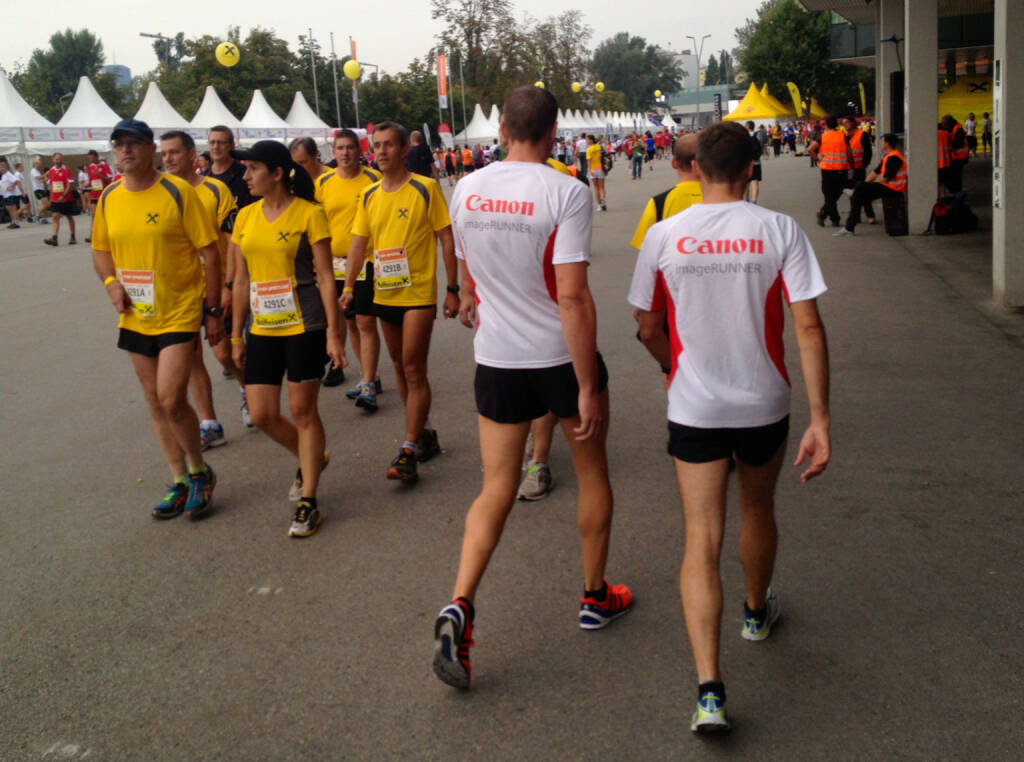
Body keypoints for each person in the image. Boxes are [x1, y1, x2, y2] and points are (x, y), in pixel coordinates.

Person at [629, 121, 830, 733]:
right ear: (750, 170)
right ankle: (753, 612)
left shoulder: (664, 235)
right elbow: (809, 327)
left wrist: (673, 367)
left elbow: (645, 323)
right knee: (758, 511)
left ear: (695, 168)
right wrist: (821, 419)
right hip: (763, 404)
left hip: (694, 407)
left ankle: (709, 691)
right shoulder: (778, 230)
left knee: (701, 537)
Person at [433, 85, 633, 691]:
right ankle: (595, 596)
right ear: (552, 133)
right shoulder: (565, 191)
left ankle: (461, 604)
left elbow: (469, 268)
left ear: (500, 128)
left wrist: (470, 297)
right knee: (593, 475)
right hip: (556, 356)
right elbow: (571, 295)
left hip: (496, 357)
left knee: (496, 486)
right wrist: (588, 383)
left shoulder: (468, 188)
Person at [91, 119, 222, 520]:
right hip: (135, 315)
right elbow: (101, 250)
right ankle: (179, 479)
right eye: (120, 145)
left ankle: (201, 472)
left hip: (179, 310)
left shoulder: (178, 192)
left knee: (170, 397)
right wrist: (112, 282)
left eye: (134, 144)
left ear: (151, 149)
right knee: (154, 401)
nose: (126, 151)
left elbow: (211, 253)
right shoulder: (109, 197)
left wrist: (213, 310)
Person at [228, 140, 344, 537]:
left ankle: (309, 500)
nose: (245, 177)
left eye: (253, 169)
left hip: (304, 325)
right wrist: (235, 335)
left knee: (302, 411)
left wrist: (335, 332)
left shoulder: (309, 214)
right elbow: (241, 280)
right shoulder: (244, 218)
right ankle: (313, 456)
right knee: (261, 414)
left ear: (277, 173)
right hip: (262, 327)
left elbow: (326, 277)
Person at [340, 122, 459, 483]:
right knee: (396, 363)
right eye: (376, 146)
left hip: (418, 292)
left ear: (405, 149)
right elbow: (359, 244)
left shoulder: (424, 188)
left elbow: (446, 238)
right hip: (383, 291)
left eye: (389, 145)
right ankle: (422, 432)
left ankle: (408, 448)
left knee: (412, 367)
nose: (381, 152)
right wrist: (347, 288)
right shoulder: (370, 195)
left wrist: (452, 287)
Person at [160, 129, 249, 445]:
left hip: (215, 285)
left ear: (190, 155)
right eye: (165, 153)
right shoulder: (162, 192)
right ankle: (210, 423)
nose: (168, 158)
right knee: (193, 358)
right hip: (181, 291)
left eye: (174, 152)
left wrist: (228, 285)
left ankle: (245, 388)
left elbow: (232, 240)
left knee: (224, 353)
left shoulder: (215, 189)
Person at [315, 129, 383, 405]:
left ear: (359, 151)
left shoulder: (373, 179)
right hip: (333, 264)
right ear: (333, 152)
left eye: (350, 148)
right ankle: (370, 374)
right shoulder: (323, 183)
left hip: (367, 261)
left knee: (366, 321)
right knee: (351, 322)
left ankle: (367, 382)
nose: (345, 153)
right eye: (340, 148)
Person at [835, 133, 906, 236]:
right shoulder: (888, 156)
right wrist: (865, 184)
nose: (881, 143)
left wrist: (869, 185)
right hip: (888, 187)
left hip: (894, 189)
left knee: (859, 189)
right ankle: (849, 228)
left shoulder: (894, 158)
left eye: (882, 141)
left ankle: (849, 225)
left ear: (887, 143)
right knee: (858, 195)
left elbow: (885, 178)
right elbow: (875, 172)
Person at [808, 116, 849, 227]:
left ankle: (826, 214)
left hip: (827, 169)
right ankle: (830, 216)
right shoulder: (843, 136)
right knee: (836, 194)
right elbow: (849, 153)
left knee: (829, 195)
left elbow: (810, 149)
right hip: (842, 168)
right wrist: (852, 167)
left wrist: (817, 160)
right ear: (836, 125)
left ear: (826, 125)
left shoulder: (822, 137)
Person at [204, 125, 253, 208]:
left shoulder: (246, 175)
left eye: (221, 142)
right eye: (212, 142)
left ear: (232, 145)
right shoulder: (203, 176)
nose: (216, 147)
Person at [844, 117, 875, 224]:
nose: (845, 125)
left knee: (862, 191)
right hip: (848, 169)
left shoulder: (862, 134)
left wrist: (865, 164)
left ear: (853, 123)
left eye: (847, 122)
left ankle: (870, 214)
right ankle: (856, 216)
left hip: (859, 168)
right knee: (852, 193)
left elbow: (868, 151)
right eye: (843, 123)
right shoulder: (845, 136)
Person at [44, 153, 77, 246]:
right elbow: (51, 185)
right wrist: (51, 198)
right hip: (55, 199)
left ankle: (73, 236)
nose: (58, 161)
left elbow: (69, 185)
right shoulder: (51, 170)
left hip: (66, 199)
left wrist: (63, 196)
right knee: (55, 217)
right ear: (53, 159)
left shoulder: (66, 170)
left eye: (60, 159)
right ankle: (54, 238)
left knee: (69, 217)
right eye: (57, 159)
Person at [941, 114, 968, 194]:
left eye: (945, 125)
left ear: (949, 123)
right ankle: (956, 189)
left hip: (960, 157)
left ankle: (956, 190)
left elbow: (958, 144)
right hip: (957, 157)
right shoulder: (955, 128)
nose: (945, 127)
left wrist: (949, 148)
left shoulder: (958, 129)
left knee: (956, 175)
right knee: (956, 174)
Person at [585, 134, 607, 211]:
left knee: (596, 188)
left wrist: (589, 170)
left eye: (587, 139)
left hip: (593, 170)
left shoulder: (589, 149)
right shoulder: (599, 147)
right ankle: (603, 201)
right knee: (602, 187)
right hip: (601, 168)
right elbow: (604, 157)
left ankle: (599, 205)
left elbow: (589, 161)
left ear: (591, 140)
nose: (586, 141)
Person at [1, 161, 24, 228]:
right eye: (0, 168)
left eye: (2, 168)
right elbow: (4, 184)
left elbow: (16, 180)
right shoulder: (3, 175)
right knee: (9, 208)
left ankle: (16, 223)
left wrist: (12, 187)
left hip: (10, 194)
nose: (1, 170)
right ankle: (13, 221)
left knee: (12, 209)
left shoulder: (8, 174)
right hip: (6, 194)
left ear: (6, 168)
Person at [744, 121, 762, 204]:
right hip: (756, 162)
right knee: (755, 182)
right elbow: (760, 149)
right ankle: (754, 201)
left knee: (746, 183)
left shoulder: (744, 136)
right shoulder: (757, 135)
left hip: (746, 163)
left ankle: (746, 201)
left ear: (748, 127)